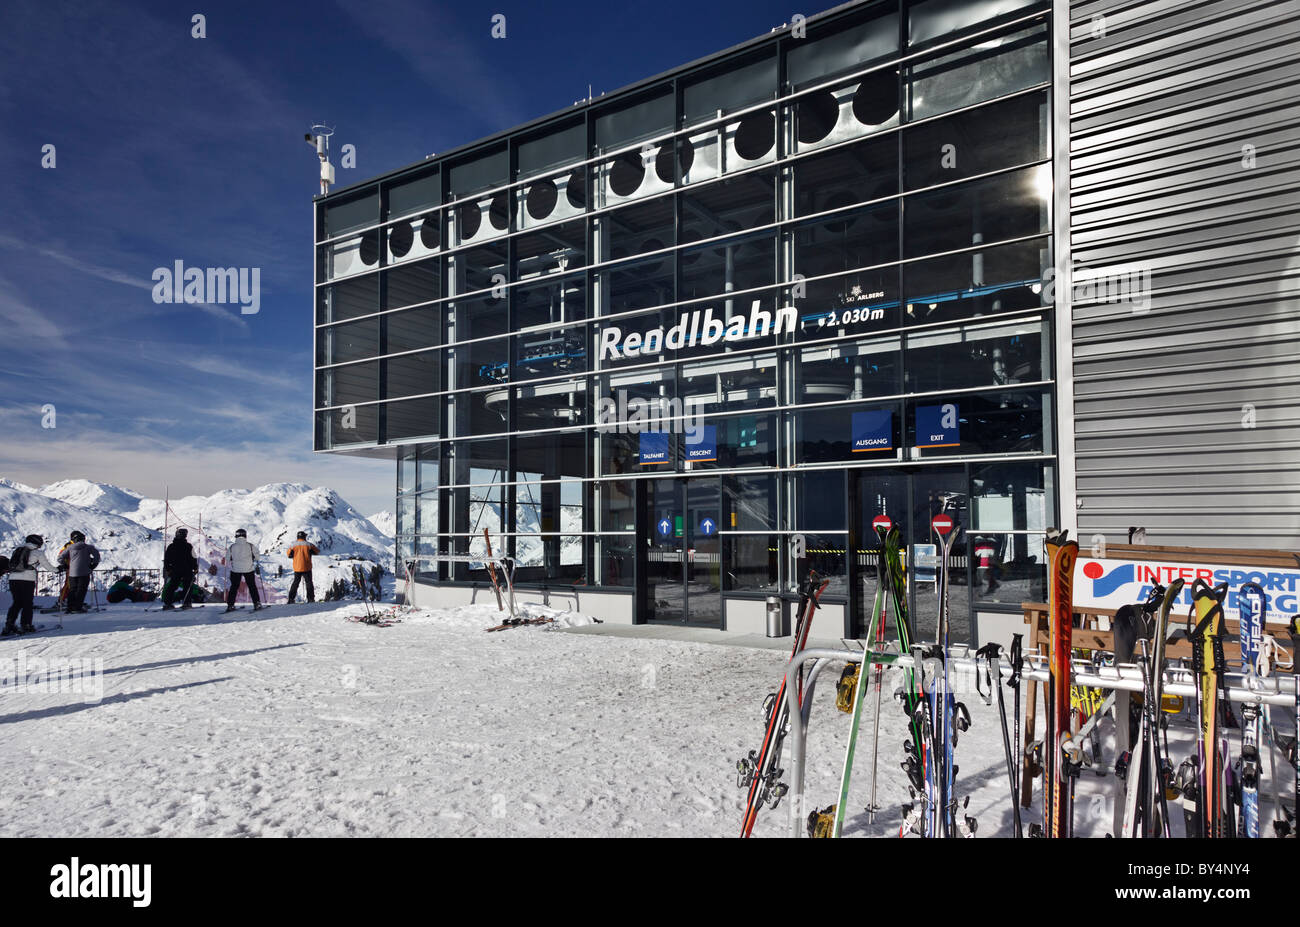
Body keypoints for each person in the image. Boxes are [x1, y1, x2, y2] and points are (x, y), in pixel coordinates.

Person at [4, 535, 58, 635]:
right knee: (27, 603)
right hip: (27, 580)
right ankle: (26, 625)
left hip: (13, 579)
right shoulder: (38, 553)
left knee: (16, 603)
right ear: (37, 543)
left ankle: (9, 625)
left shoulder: (18, 550)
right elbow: (47, 566)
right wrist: (58, 570)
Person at [57, 530, 101, 613]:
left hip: (72, 572)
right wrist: (93, 565)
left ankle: (70, 607)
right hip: (84, 572)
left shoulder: (69, 547)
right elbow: (97, 556)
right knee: (81, 590)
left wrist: (65, 565)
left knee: (72, 590)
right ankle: (77, 607)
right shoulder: (88, 547)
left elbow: (60, 558)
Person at [225, 528, 263, 612]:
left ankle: (230, 605)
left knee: (234, 587)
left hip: (235, 570)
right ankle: (257, 603)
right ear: (245, 536)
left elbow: (227, 558)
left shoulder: (232, 547)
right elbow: (257, 557)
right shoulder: (250, 545)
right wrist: (253, 557)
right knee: (252, 586)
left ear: (236, 536)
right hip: (248, 569)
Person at [162, 528, 199, 610]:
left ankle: (168, 603)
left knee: (172, 586)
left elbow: (167, 559)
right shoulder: (188, 546)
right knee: (187, 586)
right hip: (187, 570)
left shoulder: (171, 546)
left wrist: (168, 569)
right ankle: (187, 603)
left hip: (175, 570)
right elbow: (193, 558)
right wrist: (195, 568)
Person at [285, 531, 319, 604]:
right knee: (309, 583)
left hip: (297, 568)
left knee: (295, 583)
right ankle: (310, 599)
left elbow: (288, 554)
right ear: (304, 537)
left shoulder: (293, 545)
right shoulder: (309, 545)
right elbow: (317, 551)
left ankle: (291, 599)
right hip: (307, 567)